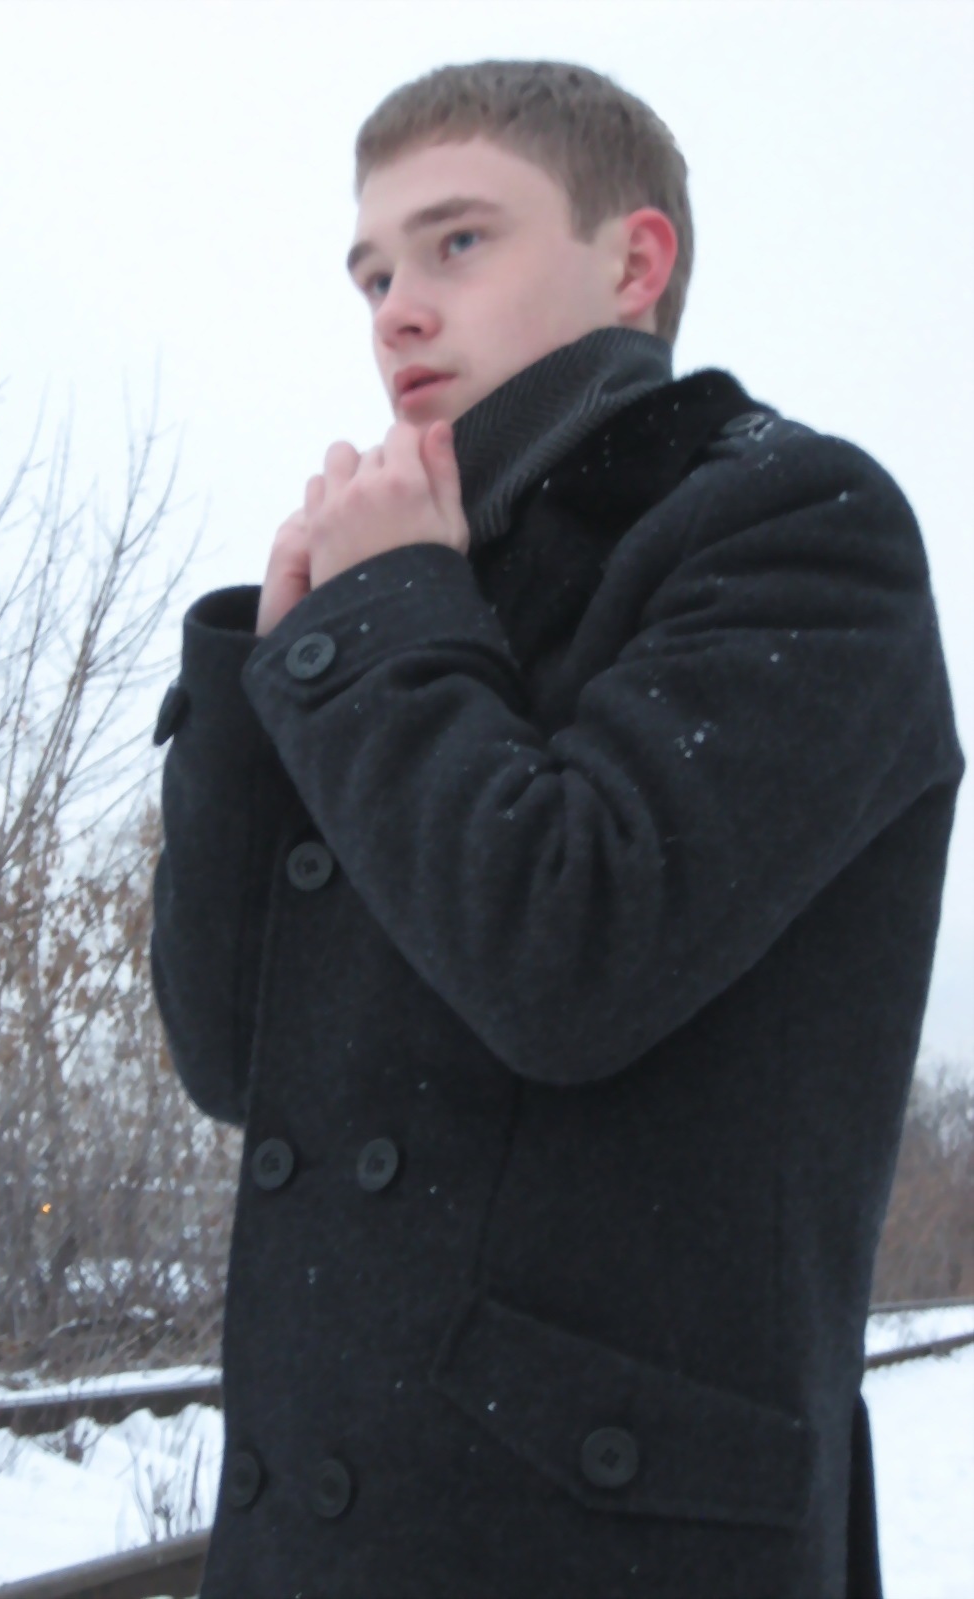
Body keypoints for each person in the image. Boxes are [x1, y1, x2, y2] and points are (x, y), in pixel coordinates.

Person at [149, 58, 963, 1599]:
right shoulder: (421, 590)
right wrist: (273, 670)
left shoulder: (797, 526)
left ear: (635, 261)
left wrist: (384, 619)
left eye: (457, 242)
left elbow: (568, 953)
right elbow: (229, 1055)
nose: (397, 310)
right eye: (373, 273)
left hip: (606, 1547)